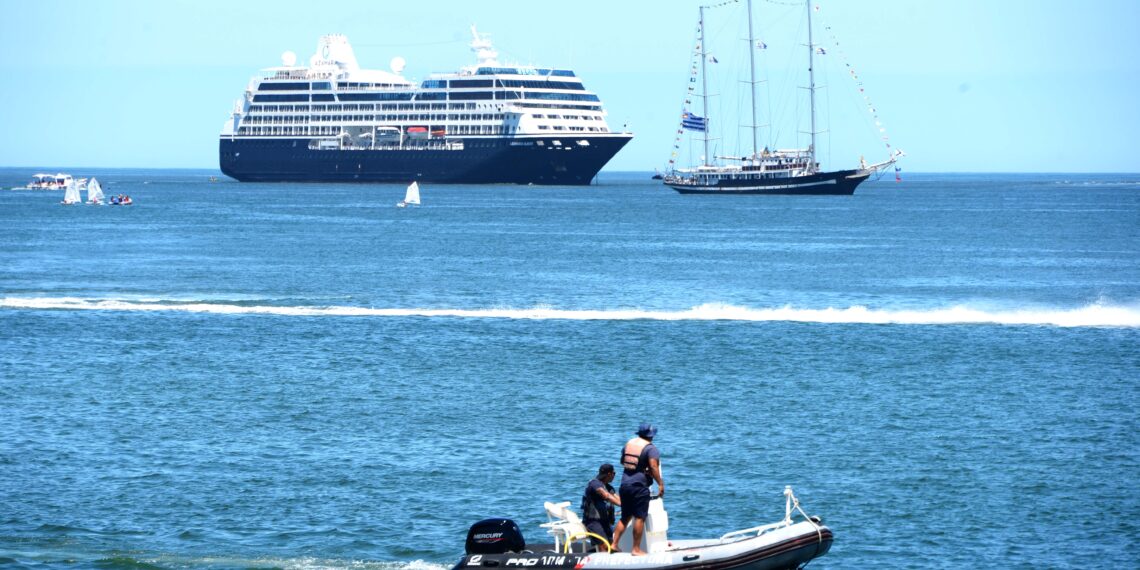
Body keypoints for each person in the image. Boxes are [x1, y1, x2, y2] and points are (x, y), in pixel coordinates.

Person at [611, 423, 664, 555]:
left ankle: (614, 544)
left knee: (625, 517)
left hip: (625, 485)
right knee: (640, 517)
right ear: (652, 436)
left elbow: (623, 461)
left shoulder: (629, 445)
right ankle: (636, 549)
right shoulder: (651, 449)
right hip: (639, 487)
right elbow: (654, 466)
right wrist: (660, 484)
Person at [581, 463, 620, 552]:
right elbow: (606, 495)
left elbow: (617, 498)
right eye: (614, 473)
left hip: (604, 521)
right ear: (609, 474)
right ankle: (602, 558)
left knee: (611, 545)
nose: (614, 476)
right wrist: (621, 504)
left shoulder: (608, 487)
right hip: (592, 522)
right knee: (604, 546)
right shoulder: (594, 484)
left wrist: (628, 505)